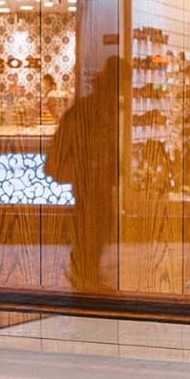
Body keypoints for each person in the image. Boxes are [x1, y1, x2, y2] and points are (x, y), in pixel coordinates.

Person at [43, 58, 121, 291]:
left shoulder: (92, 109)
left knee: (96, 226)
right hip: (90, 179)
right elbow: (95, 147)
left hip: (92, 179)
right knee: (93, 226)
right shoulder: (94, 112)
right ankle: (84, 275)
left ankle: (86, 274)